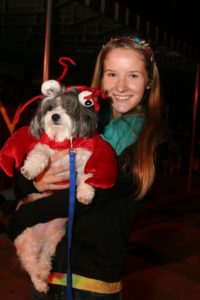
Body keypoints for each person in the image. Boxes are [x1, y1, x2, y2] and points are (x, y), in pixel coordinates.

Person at [7, 35, 166, 300]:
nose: (121, 86)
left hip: (91, 281)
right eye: (112, 74)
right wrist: (33, 183)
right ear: (100, 79)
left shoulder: (151, 143)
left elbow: (90, 198)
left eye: (134, 76)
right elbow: (22, 171)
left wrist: (22, 219)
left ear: (149, 81)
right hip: (48, 273)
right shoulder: (77, 122)